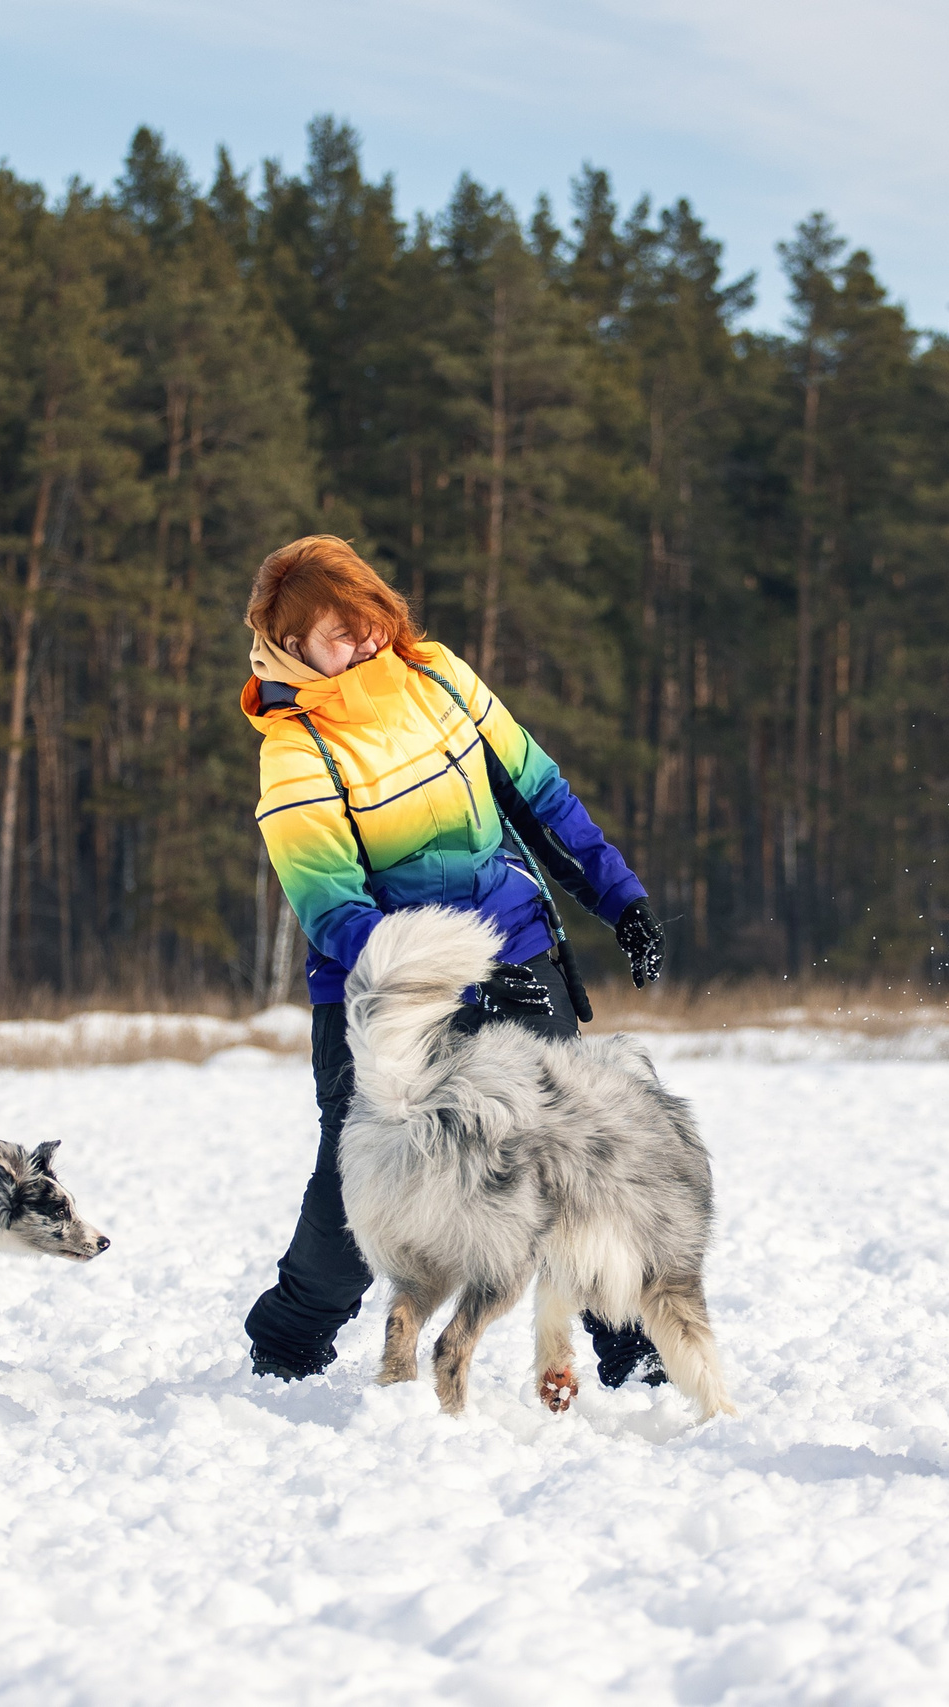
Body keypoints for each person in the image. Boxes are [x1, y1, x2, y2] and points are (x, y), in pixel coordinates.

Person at [237, 536, 668, 1382]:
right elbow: (337, 914)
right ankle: (288, 1341)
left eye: (367, 622)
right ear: (292, 646)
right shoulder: (295, 750)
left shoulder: (436, 676)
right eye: (338, 634)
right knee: (363, 1189)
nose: (363, 644)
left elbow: (539, 793)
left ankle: (635, 1347)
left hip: (517, 947)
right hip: (386, 991)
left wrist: (622, 900)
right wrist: (450, 974)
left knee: (572, 1147)